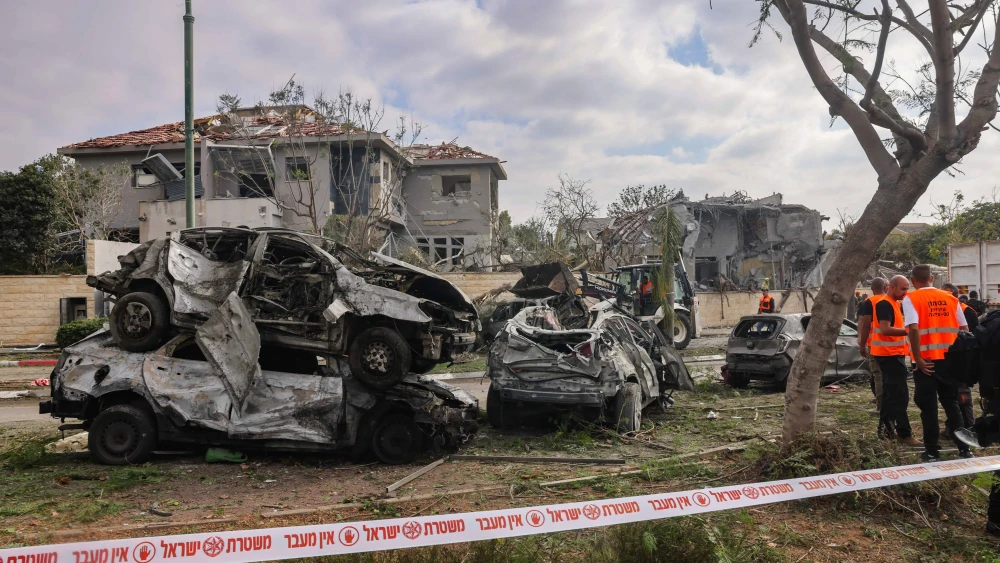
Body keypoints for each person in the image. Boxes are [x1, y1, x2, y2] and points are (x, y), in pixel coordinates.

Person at [904, 265, 972, 461]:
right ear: (932, 278)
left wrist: (917, 358)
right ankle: (964, 449)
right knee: (952, 404)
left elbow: (914, 329)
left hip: (926, 362)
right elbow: (964, 330)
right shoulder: (951, 298)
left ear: (912, 280)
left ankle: (932, 452)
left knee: (929, 408)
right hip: (950, 362)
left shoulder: (912, 298)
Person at [871, 276, 922, 445]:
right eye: (903, 289)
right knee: (900, 396)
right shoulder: (885, 304)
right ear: (892, 287)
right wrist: (910, 331)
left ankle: (885, 432)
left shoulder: (894, 303)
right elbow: (885, 329)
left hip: (892, 354)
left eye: (907, 289)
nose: (905, 293)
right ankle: (904, 434)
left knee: (889, 396)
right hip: (888, 354)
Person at [944, 284, 979, 428]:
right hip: (950, 357)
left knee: (962, 394)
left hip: (962, 358)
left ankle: (968, 426)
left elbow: (973, 337)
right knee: (952, 396)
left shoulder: (967, 312)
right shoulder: (949, 310)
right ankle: (953, 425)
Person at [857, 278, 888, 411]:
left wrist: (862, 344)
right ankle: (891, 404)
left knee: (878, 375)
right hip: (894, 345)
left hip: (875, 345)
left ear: (871, 289)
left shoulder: (868, 302)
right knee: (890, 375)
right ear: (886, 287)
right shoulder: (892, 301)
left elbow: (865, 325)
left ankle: (881, 407)